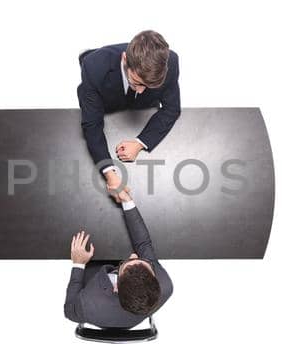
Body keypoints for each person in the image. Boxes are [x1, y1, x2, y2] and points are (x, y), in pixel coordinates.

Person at [78, 30, 179, 193]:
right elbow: (92, 125)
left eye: (148, 86)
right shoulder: (94, 67)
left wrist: (140, 143)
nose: (140, 90)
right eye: (136, 83)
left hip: (142, 107)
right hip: (106, 98)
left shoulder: (171, 62)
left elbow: (172, 109)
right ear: (125, 59)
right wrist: (110, 174)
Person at [64, 188, 173, 329]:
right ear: (155, 279)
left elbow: (69, 311)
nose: (134, 255)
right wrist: (127, 201)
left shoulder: (88, 303)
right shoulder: (165, 285)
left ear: (115, 287)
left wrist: (78, 264)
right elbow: (143, 245)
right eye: (143, 261)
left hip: (98, 301)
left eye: (127, 262)